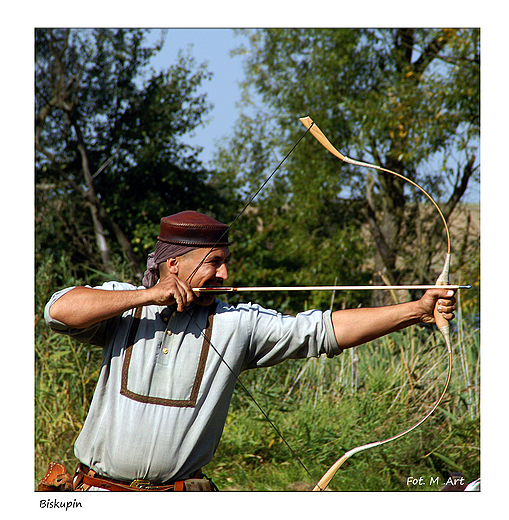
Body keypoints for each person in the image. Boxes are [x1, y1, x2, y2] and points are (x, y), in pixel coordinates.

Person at [42, 210, 456, 491]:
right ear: (174, 266)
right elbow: (57, 310)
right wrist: (148, 297)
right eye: (213, 262)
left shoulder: (236, 323)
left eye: (226, 261)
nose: (224, 273)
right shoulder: (125, 305)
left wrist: (416, 310)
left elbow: (320, 330)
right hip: (94, 494)